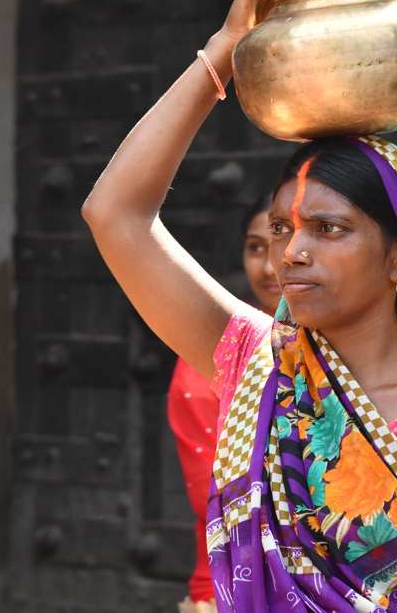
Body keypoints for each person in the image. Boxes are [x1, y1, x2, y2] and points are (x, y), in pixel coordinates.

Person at [81, 0, 397, 612]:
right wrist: (223, 51)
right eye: (281, 229)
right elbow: (114, 214)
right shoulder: (256, 368)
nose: (289, 254)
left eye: (327, 230)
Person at [168, 193, 279, 613]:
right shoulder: (214, 354)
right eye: (255, 247)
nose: (269, 266)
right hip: (231, 591)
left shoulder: (353, 349)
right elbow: (219, 499)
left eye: (283, 242)